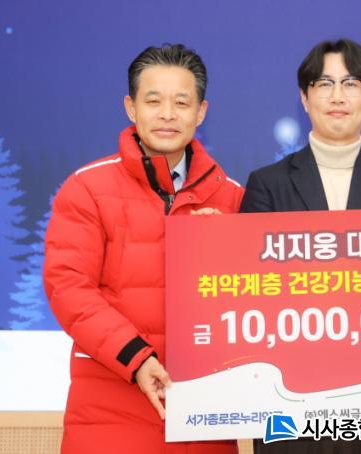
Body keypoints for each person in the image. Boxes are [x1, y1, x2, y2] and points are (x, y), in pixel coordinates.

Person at [43, 44, 243, 454]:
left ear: (201, 112)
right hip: (109, 408)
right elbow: (68, 287)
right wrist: (136, 358)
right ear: (131, 108)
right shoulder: (87, 188)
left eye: (181, 102)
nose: (167, 114)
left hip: (203, 417)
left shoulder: (233, 198)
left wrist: (230, 253)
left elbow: (259, 300)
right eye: (153, 101)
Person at [241, 38, 361, 454]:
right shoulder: (267, 185)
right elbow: (251, 292)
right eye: (324, 84)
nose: (338, 97)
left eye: (351, 83)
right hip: (289, 400)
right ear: (305, 98)